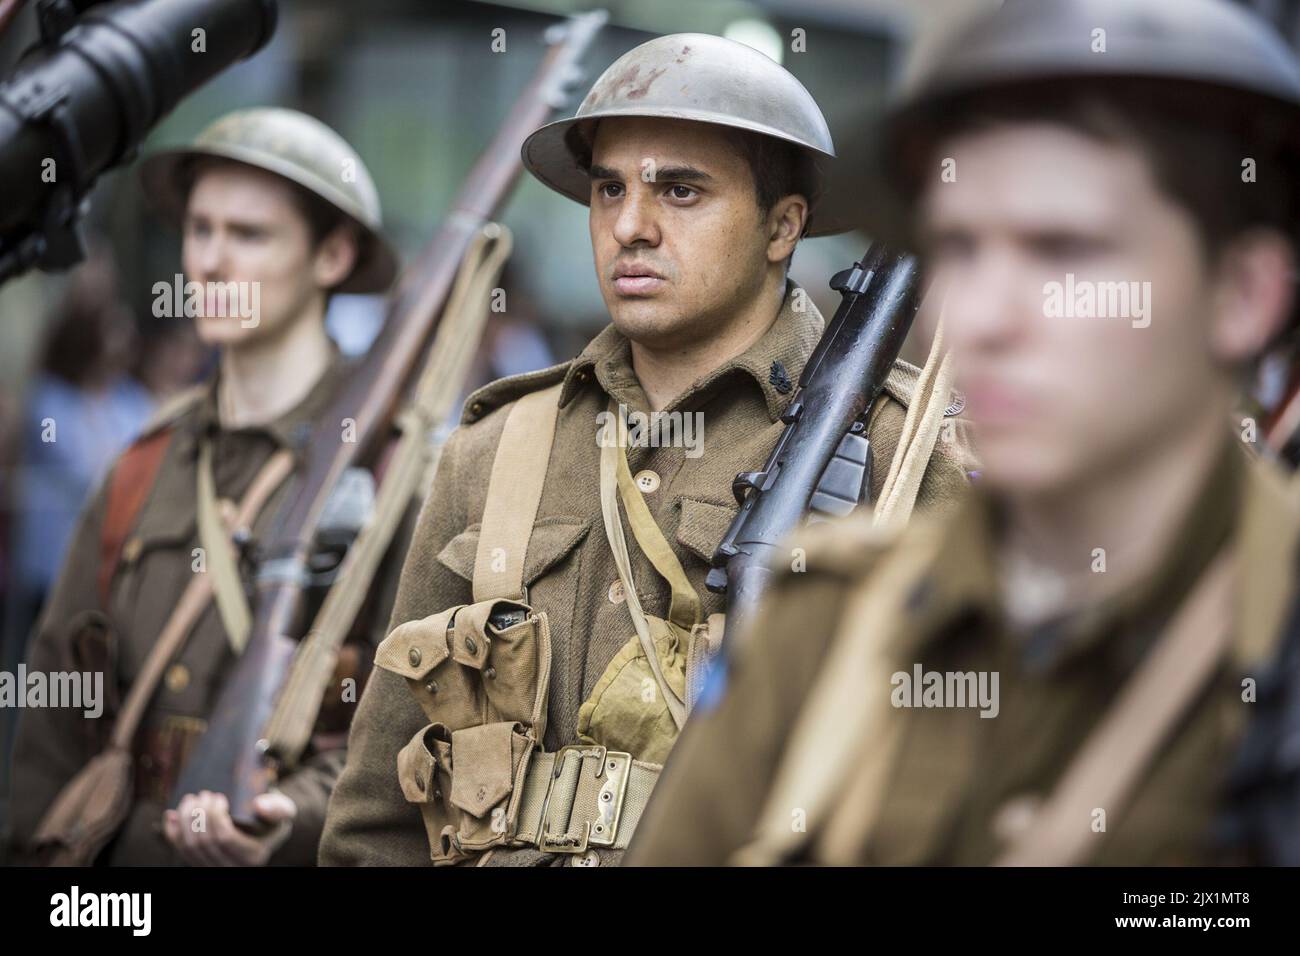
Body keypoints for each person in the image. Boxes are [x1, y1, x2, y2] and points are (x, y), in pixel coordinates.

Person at [626, 0, 1300, 866]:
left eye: (1064, 251)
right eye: (960, 251)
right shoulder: (828, 624)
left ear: (1242, 295)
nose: (982, 316)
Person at [320, 33, 973, 867]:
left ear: (783, 226)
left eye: (681, 190)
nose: (630, 226)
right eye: (609, 189)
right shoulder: (492, 452)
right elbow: (376, 819)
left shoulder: (903, 456)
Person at [8, 107, 404, 866]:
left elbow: (411, 732)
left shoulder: (391, 466)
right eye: (200, 229)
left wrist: (294, 820)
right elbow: (56, 704)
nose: (212, 263)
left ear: (333, 255)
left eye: (249, 235)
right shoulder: (142, 463)